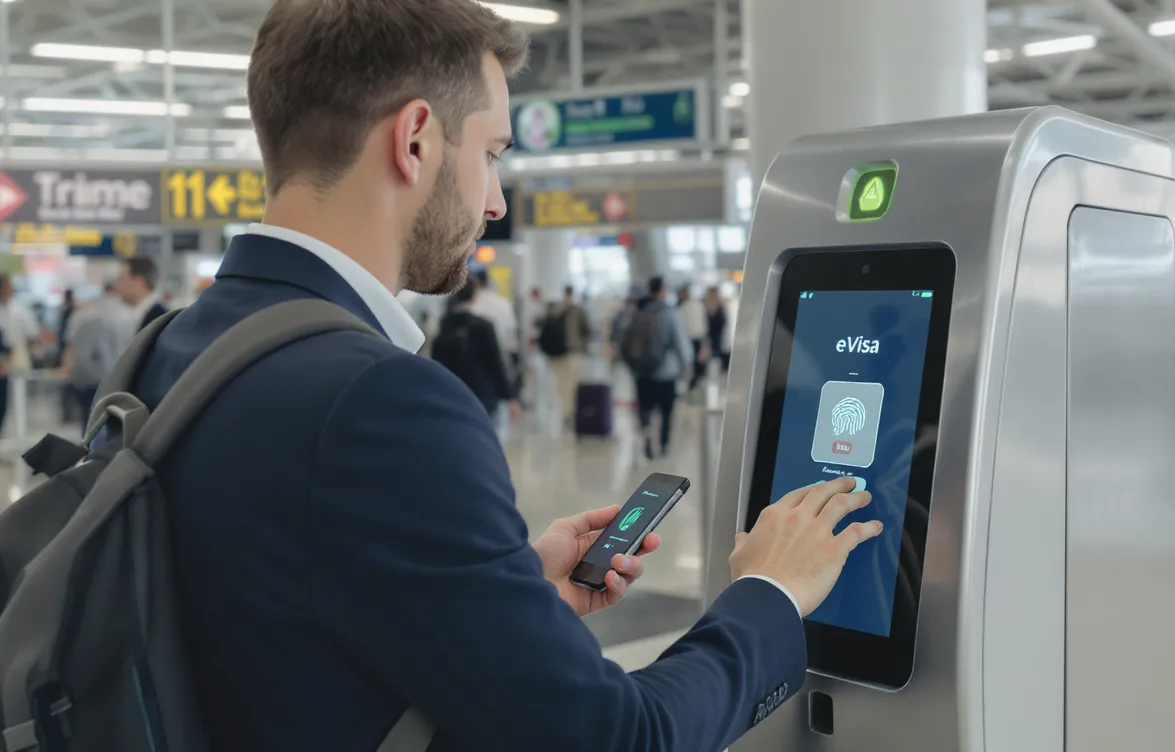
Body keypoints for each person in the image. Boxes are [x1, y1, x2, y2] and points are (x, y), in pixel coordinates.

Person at [120, 2, 880, 750]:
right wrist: (770, 592)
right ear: (415, 140)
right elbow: (618, 739)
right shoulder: (380, 401)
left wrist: (504, 591)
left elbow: (278, 630)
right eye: (491, 154)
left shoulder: (167, 351)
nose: (495, 201)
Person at [433, 278, 517, 442]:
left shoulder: (444, 325)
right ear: (474, 295)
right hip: (483, 394)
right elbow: (495, 364)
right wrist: (509, 397)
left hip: (453, 393)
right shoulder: (484, 325)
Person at [618, 276, 691, 460]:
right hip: (666, 373)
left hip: (642, 373)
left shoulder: (636, 310)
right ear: (662, 291)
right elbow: (680, 343)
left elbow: (622, 339)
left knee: (645, 409)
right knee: (666, 412)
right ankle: (663, 445)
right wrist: (687, 365)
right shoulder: (669, 312)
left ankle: (647, 441)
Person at [63, 283, 134, 415]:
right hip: (117, 379)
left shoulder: (82, 314)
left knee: (88, 417)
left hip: (89, 380)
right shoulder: (127, 314)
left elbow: (72, 348)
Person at [468, 267, 521, 407]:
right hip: (501, 359)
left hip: (475, 364)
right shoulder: (503, 304)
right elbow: (512, 337)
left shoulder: (472, 305)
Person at [539, 285, 590, 424]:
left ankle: (566, 411)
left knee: (562, 384)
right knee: (572, 385)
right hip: (574, 351)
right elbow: (586, 330)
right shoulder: (578, 310)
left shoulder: (556, 310)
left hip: (558, 353)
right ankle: (570, 412)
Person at [0, 275, 39, 430]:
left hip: (17, 359)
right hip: (3, 361)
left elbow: (32, 333)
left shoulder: (19, 309)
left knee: (17, 398)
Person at [116, 256, 170, 330]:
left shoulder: (160, 320)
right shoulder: (144, 315)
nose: (117, 286)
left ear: (138, 282)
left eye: (121, 279)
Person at [677, 284, 709, 392]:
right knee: (697, 365)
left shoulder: (682, 308)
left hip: (689, 340)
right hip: (697, 339)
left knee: (691, 364)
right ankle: (693, 385)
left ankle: (692, 385)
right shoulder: (699, 306)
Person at [706, 286, 731, 375]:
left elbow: (722, 326)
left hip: (720, 341)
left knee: (722, 365)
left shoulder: (720, 309)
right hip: (714, 341)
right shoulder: (710, 309)